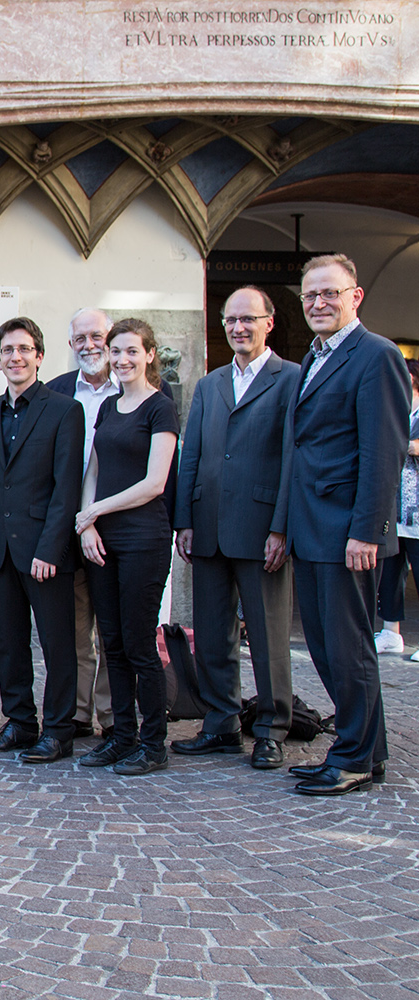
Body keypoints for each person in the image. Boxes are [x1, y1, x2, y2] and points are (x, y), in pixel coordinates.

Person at [284, 254, 407, 796]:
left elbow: (384, 451)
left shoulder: (375, 355)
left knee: (348, 646)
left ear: (355, 296)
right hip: (311, 526)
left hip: (346, 529)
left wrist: (369, 530)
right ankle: (368, 749)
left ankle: (353, 757)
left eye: (330, 293)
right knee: (325, 647)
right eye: (311, 295)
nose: (319, 303)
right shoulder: (314, 356)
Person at [171, 286, 299, 770]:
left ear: (268, 323)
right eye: (231, 320)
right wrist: (183, 519)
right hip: (206, 526)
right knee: (213, 632)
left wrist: (281, 526)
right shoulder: (210, 383)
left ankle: (270, 728)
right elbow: (193, 456)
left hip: (261, 525)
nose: (239, 327)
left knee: (267, 636)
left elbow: (293, 458)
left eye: (249, 319)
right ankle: (221, 723)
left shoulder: (291, 379)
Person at [0, 317, 84, 764]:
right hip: (0, 548)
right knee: (10, 640)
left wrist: (50, 548)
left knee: (57, 643)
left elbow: (66, 487)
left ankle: (58, 730)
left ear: (39, 355)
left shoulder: (63, 410)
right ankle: (19, 721)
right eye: (7, 350)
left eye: (24, 349)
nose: (15, 357)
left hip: (44, 550)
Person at [75, 319, 179, 776]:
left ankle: (153, 744)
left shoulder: (161, 408)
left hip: (144, 538)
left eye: (132, 351)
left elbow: (154, 483)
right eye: (115, 351)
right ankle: (121, 737)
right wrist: (87, 526)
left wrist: (96, 512)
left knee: (139, 644)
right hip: (103, 542)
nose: (122, 360)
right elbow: (93, 471)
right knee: (111, 643)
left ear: (149, 355)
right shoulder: (109, 408)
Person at [45, 308, 116, 742]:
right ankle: (76, 712)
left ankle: (112, 715)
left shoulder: (137, 388)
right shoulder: (55, 391)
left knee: (113, 629)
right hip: (67, 525)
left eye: (97, 336)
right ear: (70, 345)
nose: (89, 345)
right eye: (80, 339)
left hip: (118, 523)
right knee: (72, 629)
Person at [371, 358, 419, 659]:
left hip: (417, 515)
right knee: (390, 575)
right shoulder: (395, 412)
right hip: (394, 513)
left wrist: (404, 444)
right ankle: (391, 632)